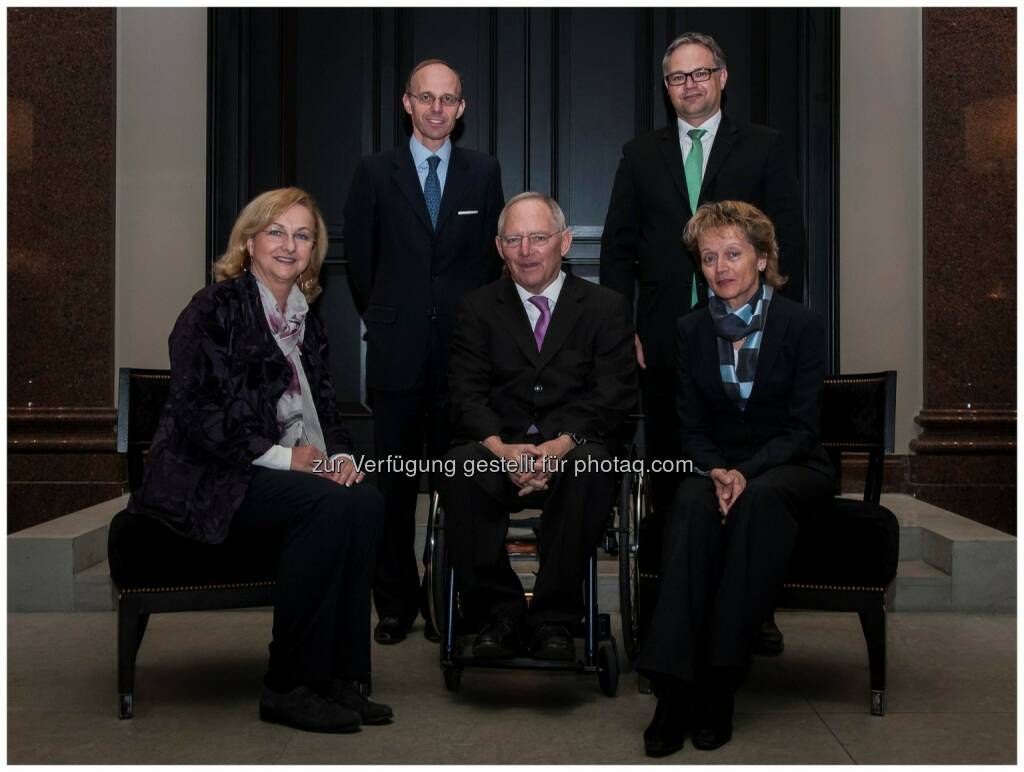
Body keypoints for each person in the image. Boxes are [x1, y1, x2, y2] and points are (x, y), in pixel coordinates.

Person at [128, 188, 392, 734]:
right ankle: (289, 686)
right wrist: (286, 459)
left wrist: (341, 457)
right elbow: (199, 413)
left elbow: (327, 407)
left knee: (363, 499)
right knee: (323, 505)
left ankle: (341, 678)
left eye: (303, 235)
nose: (289, 245)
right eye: (276, 232)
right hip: (211, 478)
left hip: (285, 471)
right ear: (249, 242)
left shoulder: (304, 320)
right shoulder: (214, 309)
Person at [600, 30, 806, 654]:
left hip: (750, 338)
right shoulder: (641, 154)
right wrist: (624, 326)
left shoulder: (764, 146)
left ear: (721, 78)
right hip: (666, 339)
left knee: (748, 471)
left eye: (699, 74)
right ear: (666, 89)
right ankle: (669, 605)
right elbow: (618, 246)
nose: (688, 85)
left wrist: (779, 322)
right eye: (676, 78)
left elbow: (787, 236)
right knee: (673, 473)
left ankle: (754, 610)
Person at [636, 201, 835, 756]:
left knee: (759, 502)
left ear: (762, 257)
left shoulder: (801, 323)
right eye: (708, 257)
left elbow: (802, 427)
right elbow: (690, 425)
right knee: (692, 505)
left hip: (790, 467)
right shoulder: (690, 329)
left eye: (733, 253)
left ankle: (719, 685)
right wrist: (717, 470)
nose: (720, 267)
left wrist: (744, 473)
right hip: (714, 464)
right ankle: (673, 690)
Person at [344, 58, 505, 645]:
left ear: (460, 109)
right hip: (397, 354)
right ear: (407, 104)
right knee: (392, 484)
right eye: (426, 98)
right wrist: (392, 317)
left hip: (463, 360)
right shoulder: (374, 172)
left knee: (458, 483)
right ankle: (395, 604)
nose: (437, 108)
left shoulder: (482, 172)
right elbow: (362, 264)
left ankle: (448, 602)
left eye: (448, 99)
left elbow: (493, 266)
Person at [439, 192, 637, 660]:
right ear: (499, 248)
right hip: (497, 448)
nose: (527, 249)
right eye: (515, 239)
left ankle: (554, 618)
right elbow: (464, 392)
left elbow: (613, 395)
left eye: (539, 237)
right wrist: (500, 448)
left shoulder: (605, 307)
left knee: (592, 466)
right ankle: (498, 614)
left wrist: (560, 445)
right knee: (459, 467)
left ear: (564, 242)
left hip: (573, 449)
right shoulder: (478, 308)